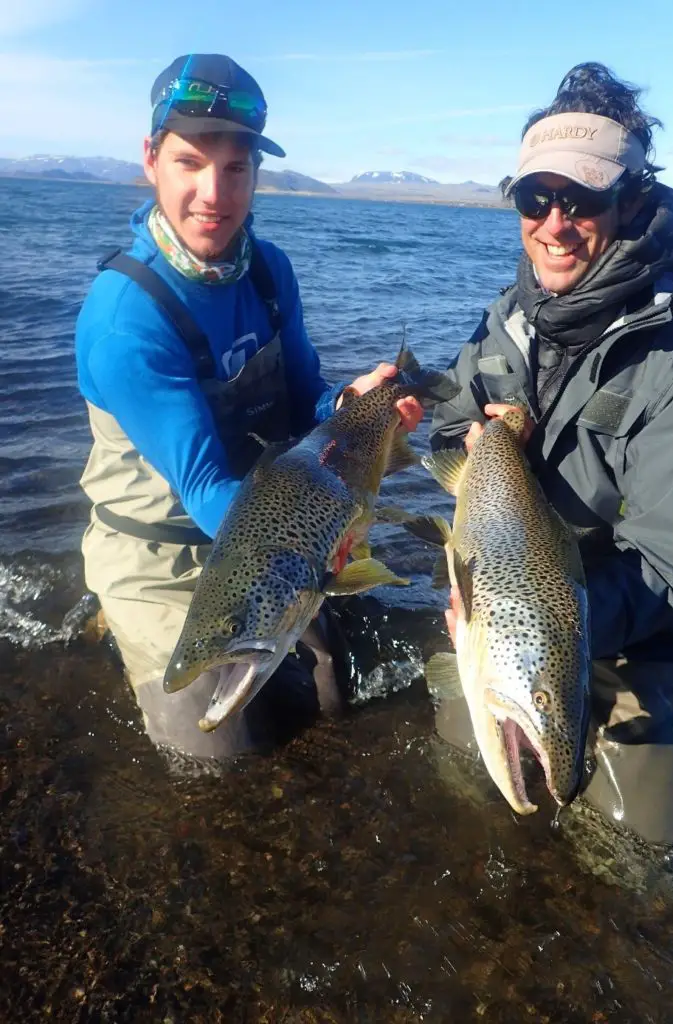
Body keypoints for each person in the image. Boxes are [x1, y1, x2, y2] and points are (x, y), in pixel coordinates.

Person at [75, 52, 422, 761]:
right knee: (213, 754)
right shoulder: (125, 323)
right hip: (161, 548)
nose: (213, 193)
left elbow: (306, 399)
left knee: (335, 699)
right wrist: (318, 546)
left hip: (261, 526)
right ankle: (114, 616)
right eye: (189, 163)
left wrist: (352, 405)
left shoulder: (268, 270)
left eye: (235, 169)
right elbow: (204, 489)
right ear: (150, 160)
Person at [430, 62, 673, 845]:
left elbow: (670, 567)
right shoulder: (507, 320)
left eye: (582, 199)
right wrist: (476, 444)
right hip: (525, 617)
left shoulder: (671, 352)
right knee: (460, 770)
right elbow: (445, 435)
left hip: (642, 629)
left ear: (631, 199)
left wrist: (532, 627)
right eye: (535, 198)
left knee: (633, 841)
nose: (554, 223)